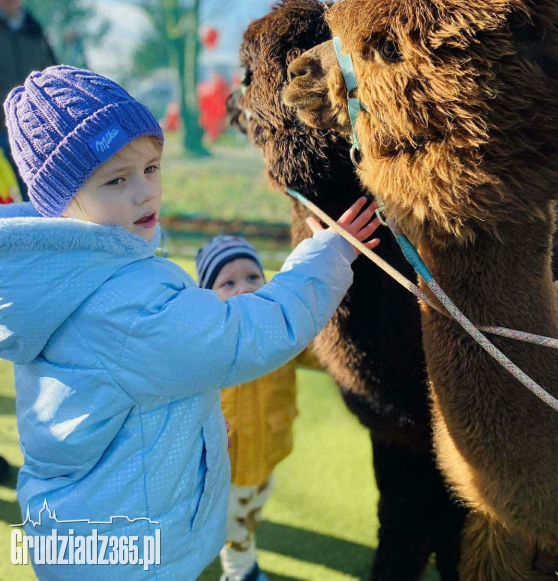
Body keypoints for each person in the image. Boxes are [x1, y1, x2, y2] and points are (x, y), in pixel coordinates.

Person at [0, 64, 380, 580]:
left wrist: (191, 426)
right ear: (60, 202)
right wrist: (326, 256)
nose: (144, 192)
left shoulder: (63, 278)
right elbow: (244, 335)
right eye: (116, 179)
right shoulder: (123, 304)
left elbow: (124, 393)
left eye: (151, 168)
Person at [197, 236, 293, 581]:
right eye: (228, 283)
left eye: (253, 277)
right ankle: (241, 573)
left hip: (265, 453)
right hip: (226, 464)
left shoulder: (282, 330)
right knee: (234, 526)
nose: (244, 288)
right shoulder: (204, 343)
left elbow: (317, 346)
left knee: (251, 510)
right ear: (208, 295)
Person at [0, 0, 57, 198]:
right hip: (1, 134)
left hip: (35, 133)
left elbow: (52, 76)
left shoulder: (35, 31)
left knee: (41, 198)